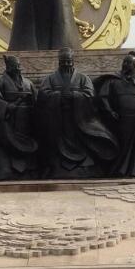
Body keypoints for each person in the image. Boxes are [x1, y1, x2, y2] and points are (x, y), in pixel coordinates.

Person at [37, 48, 118, 178]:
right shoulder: (50, 79)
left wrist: (74, 95)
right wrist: (59, 95)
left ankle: (84, 165)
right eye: (63, 61)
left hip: (79, 117)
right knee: (55, 140)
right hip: (58, 117)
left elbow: (90, 94)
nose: (66, 64)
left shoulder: (83, 78)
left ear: (73, 61)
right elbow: (43, 94)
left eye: (68, 61)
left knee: (81, 139)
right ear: (59, 62)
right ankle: (57, 165)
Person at [95, 51, 135, 177]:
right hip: (120, 119)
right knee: (121, 145)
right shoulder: (113, 80)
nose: (126, 64)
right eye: (125, 62)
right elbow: (103, 96)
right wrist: (110, 111)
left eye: (129, 62)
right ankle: (119, 170)